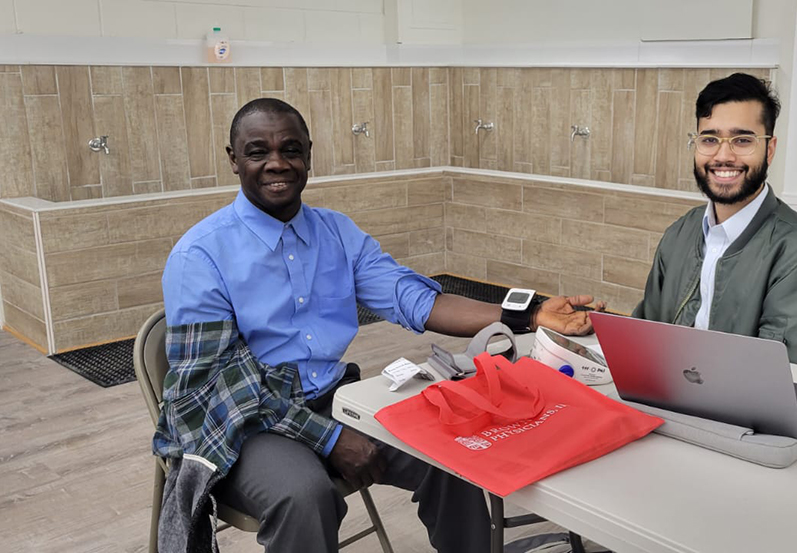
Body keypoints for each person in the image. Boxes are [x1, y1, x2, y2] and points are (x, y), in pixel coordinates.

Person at [158, 98, 600, 552]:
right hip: (243, 422)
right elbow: (218, 385)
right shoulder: (200, 256)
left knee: (452, 452)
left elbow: (417, 300)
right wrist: (330, 439)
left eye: (290, 149)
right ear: (233, 159)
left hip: (329, 399)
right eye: (257, 151)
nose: (277, 163)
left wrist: (528, 315)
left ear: (309, 153)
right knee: (304, 495)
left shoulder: (336, 233)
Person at [633, 73, 797, 377]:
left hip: (746, 420)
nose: (723, 155)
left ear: (769, 149)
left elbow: (787, 386)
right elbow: (644, 339)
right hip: (676, 399)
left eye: (742, 140)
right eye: (710, 139)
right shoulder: (680, 234)